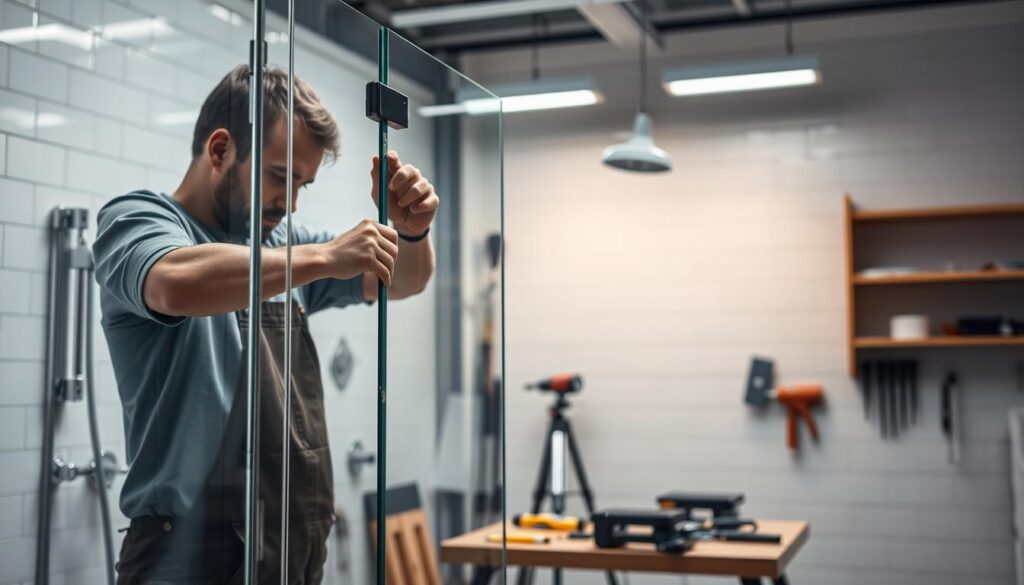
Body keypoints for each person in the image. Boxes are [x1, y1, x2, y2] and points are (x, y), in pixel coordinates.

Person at [92, 65, 438, 584]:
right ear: (220, 150)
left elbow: (406, 281)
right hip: (183, 550)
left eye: (303, 183)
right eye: (281, 176)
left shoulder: (279, 243)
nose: (292, 202)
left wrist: (411, 233)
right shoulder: (138, 219)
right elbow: (172, 283)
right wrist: (324, 255)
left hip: (286, 540)